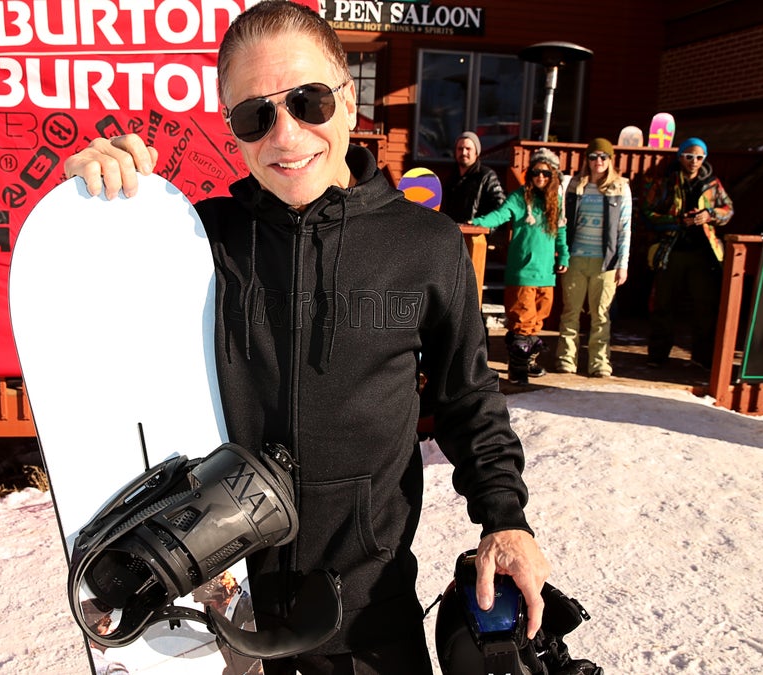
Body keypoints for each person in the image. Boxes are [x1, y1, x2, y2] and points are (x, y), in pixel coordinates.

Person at [63, 2, 550, 673]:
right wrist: (107, 207)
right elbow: (97, 321)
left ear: (349, 102)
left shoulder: (425, 247)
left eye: (308, 101)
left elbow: (470, 402)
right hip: (218, 623)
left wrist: (506, 516)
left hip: (371, 625)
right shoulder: (195, 241)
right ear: (232, 127)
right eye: (254, 115)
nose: (286, 134)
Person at [469, 148, 569, 385]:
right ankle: (518, 369)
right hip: (523, 272)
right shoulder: (520, 197)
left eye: (546, 172)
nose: (541, 177)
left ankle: (528, 362)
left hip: (546, 274)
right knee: (522, 322)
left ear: (553, 175)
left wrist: (564, 256)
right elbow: (501, 214)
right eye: (536, 172)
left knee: (536, 322)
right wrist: (478, 222)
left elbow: (562, 231)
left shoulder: (556, 202)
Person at [642, 137, 734, 369]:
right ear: (680, 157)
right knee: (663, 304)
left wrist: (710, 215)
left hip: (704, 253)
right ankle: (658, 355)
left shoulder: (712, 183)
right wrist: (676, 221)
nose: (694, 162)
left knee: (705, 306)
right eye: (689, 156)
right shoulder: (665, 181)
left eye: (699, 157)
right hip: (672, 250)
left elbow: (728, 210)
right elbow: (647, 214)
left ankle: (702, 356)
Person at [557, 138, 633, 378]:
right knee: (571, 312)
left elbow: (625, 228)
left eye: (603, 157)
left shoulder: (621, 187)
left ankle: (599, 363)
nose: (598, 161)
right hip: (575, 258)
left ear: (610, 160)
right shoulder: (575, 185)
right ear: (586, 160)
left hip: (605, 262)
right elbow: (561, 220)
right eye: (593, 157)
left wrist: (623, 264)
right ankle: (566, 360)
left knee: (601, 315)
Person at [442, 131, 506, 223]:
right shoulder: (451, 177)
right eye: (460, 149)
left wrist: (482, 225)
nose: (464, 152)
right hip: (453, 233)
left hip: (475, 234)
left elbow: (500, 206)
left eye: (468, 149)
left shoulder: (487, 176)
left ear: (477, 152)